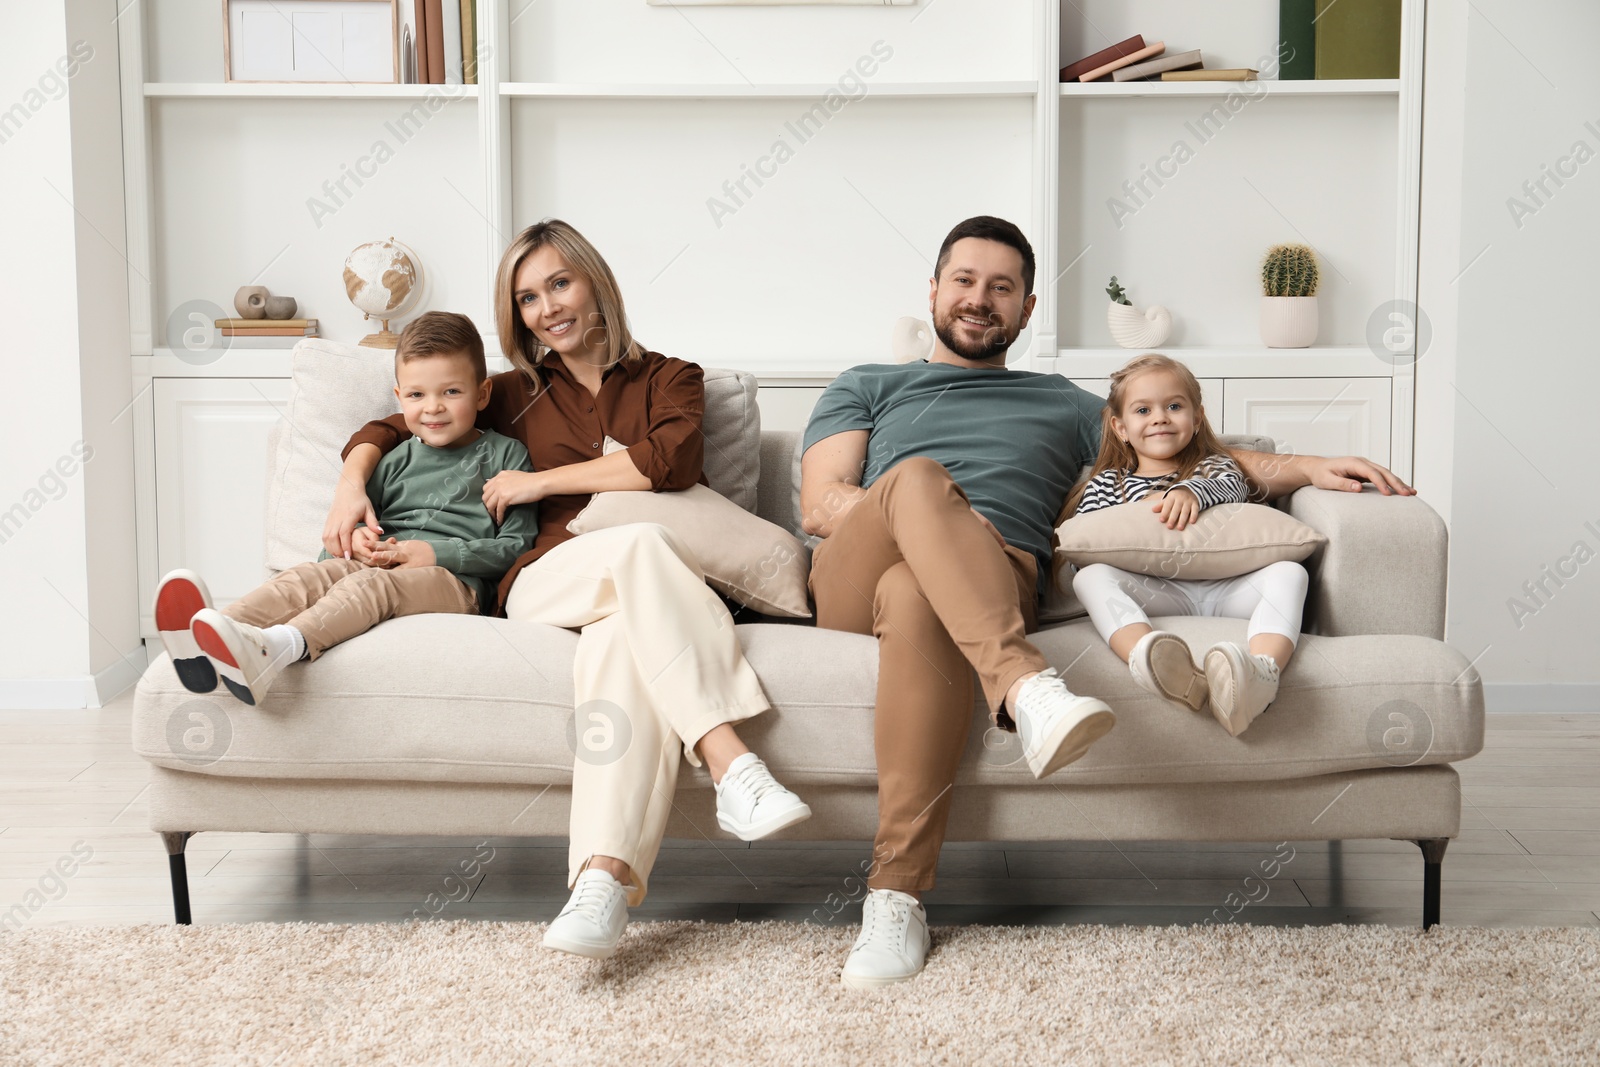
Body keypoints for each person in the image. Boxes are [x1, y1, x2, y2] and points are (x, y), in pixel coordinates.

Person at [800, 215, 1414, 988]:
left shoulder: (1064, 406)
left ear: (1026, 310)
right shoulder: (868, 384)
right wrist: (941, 520)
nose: (979, 299)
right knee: (920, 484)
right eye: (964, 281)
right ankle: (1028, 687)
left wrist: (1310, 464)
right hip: (860, 570)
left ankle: (894, 898)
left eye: (1002, 288)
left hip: (991, 579)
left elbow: (1182, 448)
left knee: (918, 593)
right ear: (933, 291)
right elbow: (822, 505)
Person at [325, 220, 811, 961]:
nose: (547, 307)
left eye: (559, 283)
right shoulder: (511, 393)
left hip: (649, 592)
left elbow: (668, 461)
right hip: (548, 577)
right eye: (526, 298)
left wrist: (543, 479)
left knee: (624, 632)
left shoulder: (671, 377)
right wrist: (348, 485)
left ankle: (601, 883)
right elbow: (397, 420)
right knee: (641, 546)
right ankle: (729, 760)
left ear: (594, 283)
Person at [152, 312, 538, 707]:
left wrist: (434, 553)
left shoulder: (506, 455)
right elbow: (334, 547)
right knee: (310, 577)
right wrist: (354, 542)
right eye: (417, 395)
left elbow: (517, 546)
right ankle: (215, 631)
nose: (433, 408)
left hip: (458, 583)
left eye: (452, 392)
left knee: (370, 585)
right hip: (381, 561)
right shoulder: (393, 460)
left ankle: (276, 650)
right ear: (399, 396)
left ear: (482, 393)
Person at [1067, 352, 1309, 737]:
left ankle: (1263, 672)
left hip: (1227, 591)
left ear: (1196, 419)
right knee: (1091, 578)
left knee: (1290, 573)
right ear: (1121, 427)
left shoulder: (1213, 467)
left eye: (1174, 406)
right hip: (1157, 593)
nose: (1160, 417)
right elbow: (1085, 543)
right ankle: (1148, 658)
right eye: (1143, 410)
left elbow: (1231, 486)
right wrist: (1137, 515)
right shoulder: (1108, 485)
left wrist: (1190, 491)